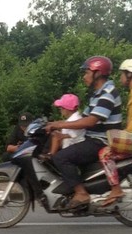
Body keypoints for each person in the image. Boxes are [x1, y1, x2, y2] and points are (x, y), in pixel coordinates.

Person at [46, 56, 122, 209]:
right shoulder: (97, 94)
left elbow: (90, 121)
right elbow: (82, 118)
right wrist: (57, 127)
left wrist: (59, 124)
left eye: (87, 73)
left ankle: (81, 193)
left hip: (101, 141)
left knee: (61, 157)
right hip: (93, 138)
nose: (84, 77)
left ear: (97, 73)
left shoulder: (107, 93)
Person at [98, 59, 132, 207]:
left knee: (105, 154)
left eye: (122, 74)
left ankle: (115, 189)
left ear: (130, 75)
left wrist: (119, 141)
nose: (120, 77)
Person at [45, 93, 85, 157]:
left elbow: (72, 135)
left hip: (73, 148)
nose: (60, 109)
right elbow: (64, 122)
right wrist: (51, 123)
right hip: (69, 145)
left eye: (61, 108)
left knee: (55, 135)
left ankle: (50, 156)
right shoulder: (74, 117)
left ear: (66, 108)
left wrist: (59, 135)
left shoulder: (75, 119)